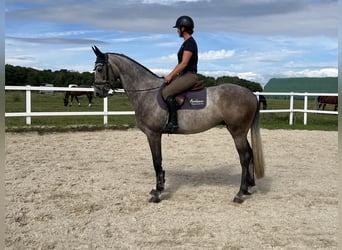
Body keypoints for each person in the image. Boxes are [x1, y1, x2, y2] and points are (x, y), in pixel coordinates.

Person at [162, 15, 198, 133]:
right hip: (183, 75)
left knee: (166, 92)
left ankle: (173, 123)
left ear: (183, 28)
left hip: (189, 76)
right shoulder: (186, 43)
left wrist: (170, 75)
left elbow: (183, 64)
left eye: (178, 28)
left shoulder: (190, 43)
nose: (177, 30)